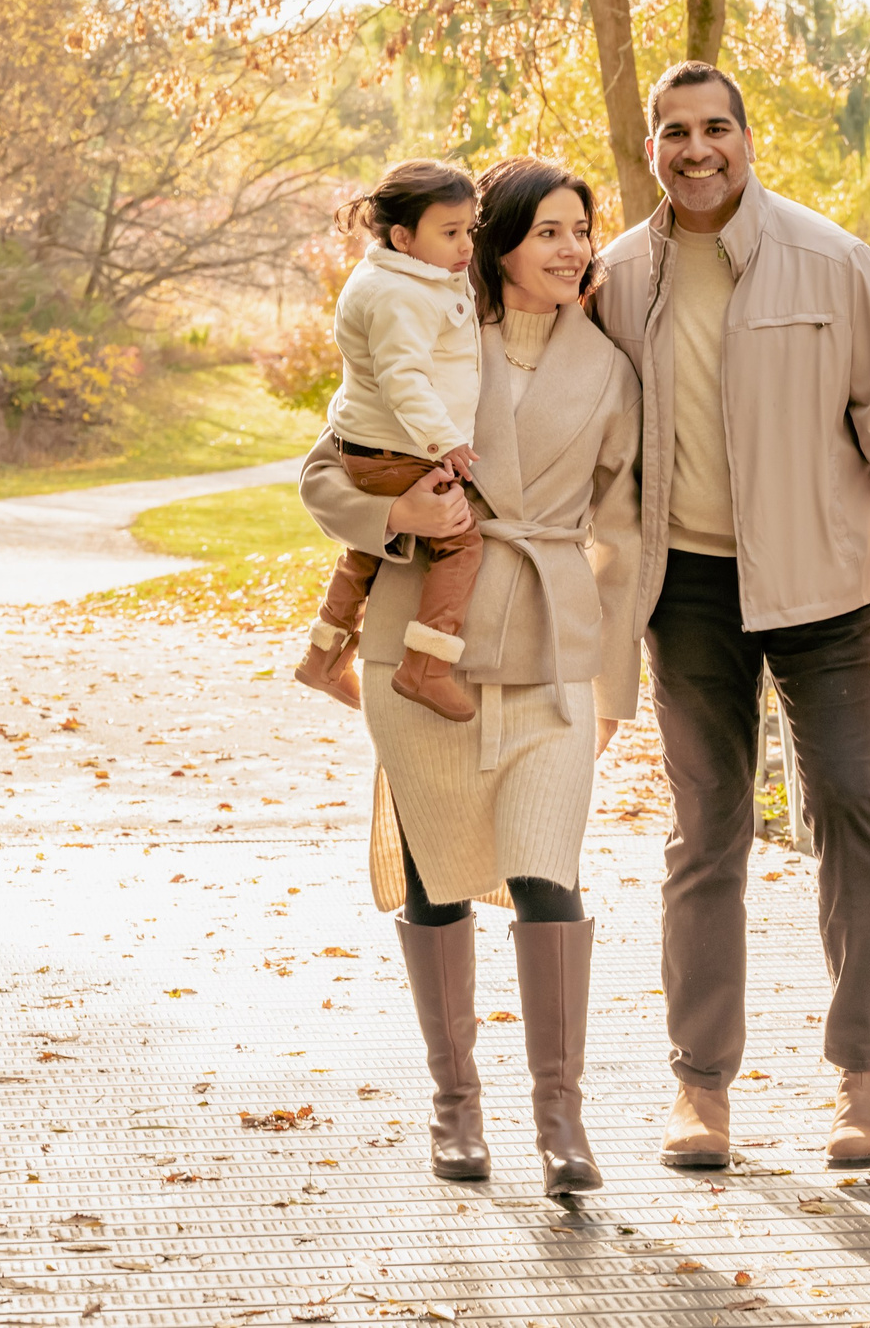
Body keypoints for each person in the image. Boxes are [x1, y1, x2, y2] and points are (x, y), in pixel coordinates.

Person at [592, 61, 870, 1170]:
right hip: (689, 590)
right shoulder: (614, 276)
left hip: (827, 590)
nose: (696, 149)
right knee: (708, 829)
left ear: (747, 138)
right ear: (650, 150)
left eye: (715, 128)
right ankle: (700, 1089)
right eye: (673, 133)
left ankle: (865, 1079)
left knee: (851, 807)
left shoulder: (831, 260)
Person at [295, 157, 642, 1198]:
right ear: (493, 246)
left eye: (582, 230)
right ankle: (454, 1105)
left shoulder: (613, 371)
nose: (574, 249)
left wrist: (616, 683)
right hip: (421, 651)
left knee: (550, 874)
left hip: (550, 648)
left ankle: (560, 1118)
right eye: (548, 232)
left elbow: (623, 531)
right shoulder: (438, 334)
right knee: (437, 868)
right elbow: (329, 467)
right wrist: (396, 515)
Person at [294, 158, 489, 722]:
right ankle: (426, 665)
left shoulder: (398, 277)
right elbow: (404, 380)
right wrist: (445, 441)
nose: (465, 246)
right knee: (459, 543)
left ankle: (323, 654)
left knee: (365, 550)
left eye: (469, 231)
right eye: (449, 233)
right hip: (398, 449)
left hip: (371, 445)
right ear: (404, 237)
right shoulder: (399, 295)